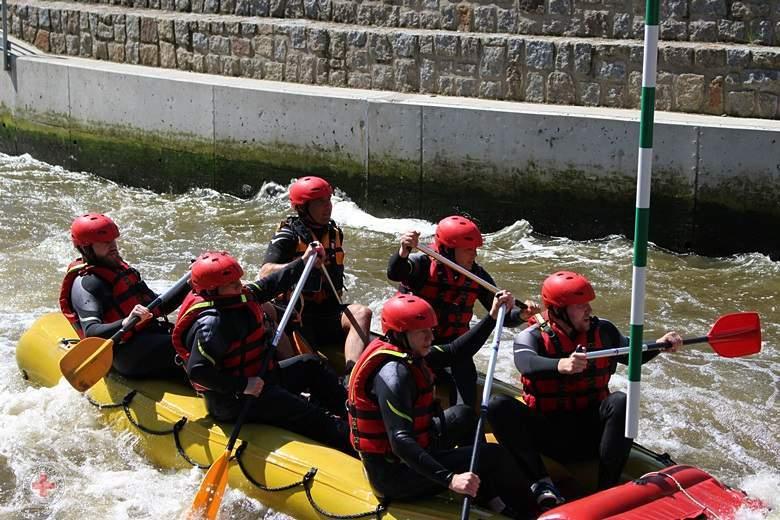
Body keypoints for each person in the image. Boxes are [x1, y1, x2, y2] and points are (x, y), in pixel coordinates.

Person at [487, 271, 683, 509]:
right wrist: (561, 365)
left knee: (620, 400)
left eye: (588, 304)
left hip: (591, 433)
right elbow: (525, 362)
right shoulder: (532, 336)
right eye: (580, 306)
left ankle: (608, 488)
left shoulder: (604, 331)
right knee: (498, 406)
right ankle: (541, 482)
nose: (588, 310)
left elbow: (634, 355)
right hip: (549, 435)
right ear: (558, 310)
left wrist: (661, 344)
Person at [348, 292, 533, 518]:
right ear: (400, 333)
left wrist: (492, 318)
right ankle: (531, 512)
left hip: (416, 448)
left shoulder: (406, 350)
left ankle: (488, 495)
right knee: (494, 456)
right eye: (422, 332)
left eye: (431, 330)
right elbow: (400, 442)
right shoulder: (393, 375)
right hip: (395, 474)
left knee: (464, 415)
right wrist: (450, 479)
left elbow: (455, 351)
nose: (430, 337)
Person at [172, 247, 352, 453]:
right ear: (213, 290)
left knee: (310, 365)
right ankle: (352, 444)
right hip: (232, 400)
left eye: (239, 281)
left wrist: (303, 261)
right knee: (308, 413)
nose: (240, 286)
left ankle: (356, 418)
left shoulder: (237, 297)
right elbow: (198, 371)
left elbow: (271, 284)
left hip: (260, 377)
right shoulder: (213, 324)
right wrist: (243, 385)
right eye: (233, 285)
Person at [386, 216, 539, 406]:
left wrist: (522, 315)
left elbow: (504, 317)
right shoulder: (423, 264)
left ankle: (465, 417)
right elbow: (395, 272)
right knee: (457, 359)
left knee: (463, 364)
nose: (474, 254)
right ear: (448, 249)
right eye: (468, 249)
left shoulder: (477, 275)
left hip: (454, 350)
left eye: (475, 249)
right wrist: (403, 252)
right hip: (417, 347)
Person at [259, 176, 371, 380]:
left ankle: (351, 377)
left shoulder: (335, 233)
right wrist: (302, 262)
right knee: (316, 369)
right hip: (297, 315)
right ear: (302, 208)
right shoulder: (287, 236)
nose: (327, 207)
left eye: (328, 200)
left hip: (326, 313)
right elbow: (265, 273)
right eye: (320, 202)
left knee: (362, 313)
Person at [59, 213, 187, 379]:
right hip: (124, 352)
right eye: (105, 242)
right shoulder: (87, 283)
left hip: (149, 336)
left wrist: (191, 282)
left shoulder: (119, 269)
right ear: (86, 247)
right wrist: (125, 322)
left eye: (113, 240)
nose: (112, 246)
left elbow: (159, 307)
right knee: (191, 343)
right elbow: (91, 332)